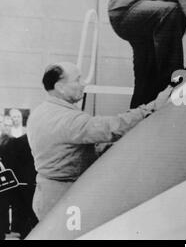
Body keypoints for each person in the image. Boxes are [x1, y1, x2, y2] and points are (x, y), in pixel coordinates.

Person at [27, 62, 172, 220]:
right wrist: (154, 106)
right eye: (78, 80)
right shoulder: (67, 119)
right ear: (60, 87)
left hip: (47, 196)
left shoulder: (40, 113)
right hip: (65, 202)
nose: (84, 84)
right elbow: (112, 127)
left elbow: (72, 151)